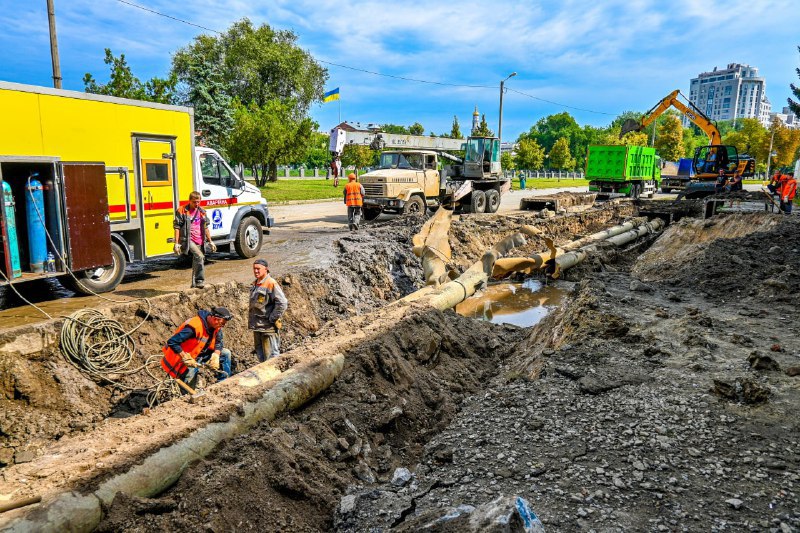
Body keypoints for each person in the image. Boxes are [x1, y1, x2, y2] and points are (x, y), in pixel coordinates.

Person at [161, 306, 233, 389]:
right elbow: (172, 342)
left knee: (226, 353)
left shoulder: (216, 326)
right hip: (183, 358)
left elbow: (219, 341)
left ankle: (223, 385)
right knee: (189, 381)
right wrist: (184, 357)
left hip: (200, 353)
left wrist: (216, 355)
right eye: (222, 323)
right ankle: (186, 397)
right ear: (215, 319)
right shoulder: (194, 327)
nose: (223, 326)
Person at [174, 191, 216, 289]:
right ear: (189, 201)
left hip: (200, 240)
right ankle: (199, 280)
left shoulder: (202, 212)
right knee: (200, 257)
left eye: (198, 202)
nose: (196, 204)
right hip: (188, 239)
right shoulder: (182, 210)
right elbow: (177, 227)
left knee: (196, 261)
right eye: (194, 202)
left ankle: (193, 284)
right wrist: (177, 243)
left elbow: (206, 227)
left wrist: (210, 241)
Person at [249, 259, 288, 361]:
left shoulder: (271, 283)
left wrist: (272, 318)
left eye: (258, 269)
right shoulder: (255, 283)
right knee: (260, 354)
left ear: (266, 269)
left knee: (271, 357)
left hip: (267, 328)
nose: (256, 271)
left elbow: (282, 303)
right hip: (257, 326)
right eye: (254, 269)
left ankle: (275, 376)